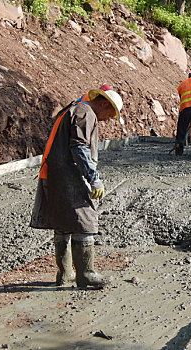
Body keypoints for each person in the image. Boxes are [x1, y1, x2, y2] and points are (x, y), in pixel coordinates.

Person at [30, 85, 123, 288]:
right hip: (68, 175)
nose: (107, 119)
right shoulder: (85, 113)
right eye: (109, 113)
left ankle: (65, 274)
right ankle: (86, 274)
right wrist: (93, 178)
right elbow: (80, 147)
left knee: (63, 224)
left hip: (52, 173)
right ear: (104, 103)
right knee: (85, 220)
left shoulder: (71, 109)